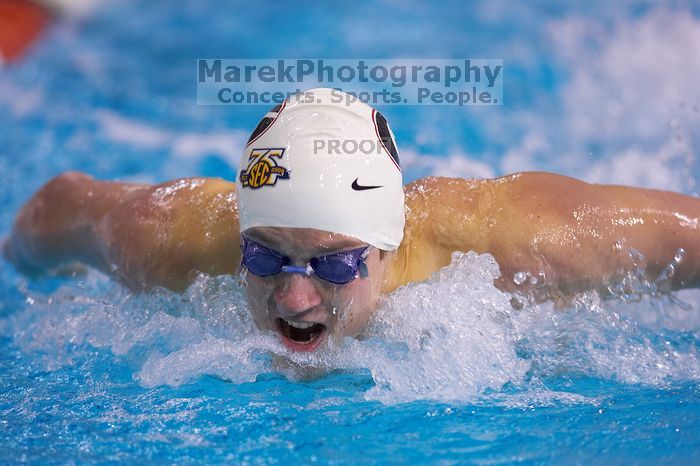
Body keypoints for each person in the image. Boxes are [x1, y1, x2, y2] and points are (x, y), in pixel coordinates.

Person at [4, 88, 700, 352]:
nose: (295, 299)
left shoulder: (521, 244)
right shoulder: (164, 240)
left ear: (387, 247)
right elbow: (50, 212)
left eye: (335, 263)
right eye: (267, 257)